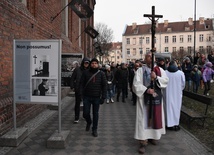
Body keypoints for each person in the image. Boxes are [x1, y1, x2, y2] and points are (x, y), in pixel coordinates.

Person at [132, 52, 169, 154]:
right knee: (143, 119)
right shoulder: (140, 70)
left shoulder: (160, 70)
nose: (150, 58)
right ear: (145, 59)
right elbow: (135, 84)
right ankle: (143, 141)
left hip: (156, 99)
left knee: (155, 117)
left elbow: (166, 81)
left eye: (152, 56)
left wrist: (156, 77)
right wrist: (146, 90)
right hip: (144, 99)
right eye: (148, 56)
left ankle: (153, 137)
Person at [80, 58, 107, 137]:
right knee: (85, 113)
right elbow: (81, 84)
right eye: (92, 63)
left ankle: (94, 129)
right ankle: (89, 121)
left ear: (98, 64)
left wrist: (103, 97)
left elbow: (104, 86)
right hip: (87, 97)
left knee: (95, 114)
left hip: (96, 97)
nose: (94, 64)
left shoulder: (101, 74)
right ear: (90, 64)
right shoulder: (85, 73)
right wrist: (81, 94)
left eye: (95, 63)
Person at [164, 61, 185, 131]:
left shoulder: (165, 72)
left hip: (167, 93)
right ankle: (176, 124)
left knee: (168, 108)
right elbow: (183, 84)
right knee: (176, 108)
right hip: (177, 94)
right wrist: (179, 89)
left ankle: (168, 124)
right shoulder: (180, 73)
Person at [70, 57, 90, 124]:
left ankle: (85, 115)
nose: (86, 64)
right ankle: (76, 117)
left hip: (87, 90)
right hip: (78, 89)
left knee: (86, 104)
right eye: (85, 63)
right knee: (77, 104)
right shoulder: (77, 69)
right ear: (83, 63)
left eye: (87, 63)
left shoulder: (90, 70)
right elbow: (72, 78)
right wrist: (72, 86)